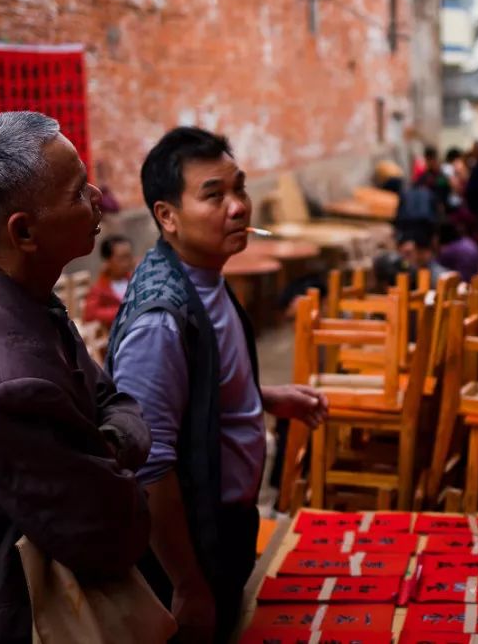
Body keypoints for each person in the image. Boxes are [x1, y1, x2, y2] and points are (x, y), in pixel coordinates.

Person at [0, 112, 152, 644]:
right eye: (77, 193)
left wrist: (101, 449)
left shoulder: (16, 295)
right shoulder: (10, 380)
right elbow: (114, 531)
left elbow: (115, 401)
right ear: (23, 230)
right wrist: (117, 467)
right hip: (14, 612)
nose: (97, 196)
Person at [106, 127, 329, 643]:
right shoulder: (160, 323)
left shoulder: (203, 275)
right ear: (167, 216)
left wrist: (262, 398)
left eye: (239, 188)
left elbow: (197, 393)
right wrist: (187, 584)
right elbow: (151, 464)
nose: (238, 207)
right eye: (214, 195)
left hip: (225, 520)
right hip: (192, 541)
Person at [83, 235, 135, 327]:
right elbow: (89, 315)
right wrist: (123, 311)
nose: (127, 262)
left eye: (129, 257)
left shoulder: (135, 281)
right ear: (108, 261)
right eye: (122, 258)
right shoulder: (99, 289)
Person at [414, 145, 452, 212]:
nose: (430, 162)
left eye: (432, 159)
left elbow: (445, 191)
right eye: (428, 159)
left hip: (436, 209)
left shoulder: (440, 176)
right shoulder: (424, 177)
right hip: (426, 209)